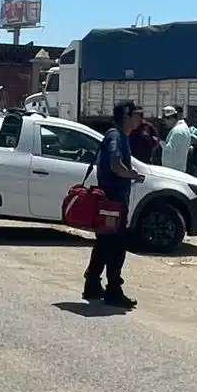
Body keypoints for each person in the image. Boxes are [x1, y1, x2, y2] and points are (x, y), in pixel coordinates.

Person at [84, 100, 144, 309]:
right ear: (127, 116)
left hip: (111, 202)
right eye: (138, 114)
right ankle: (113, 291)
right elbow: (116, 165)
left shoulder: (118, 136)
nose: (140, 119)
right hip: (113, 204)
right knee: (116, 247)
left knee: (103, 245)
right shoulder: (116, 136)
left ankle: (92, 285)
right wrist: (133, 175)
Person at [161, 106, 197, 173]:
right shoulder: (182, 128)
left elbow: (169, 148)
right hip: (177, 168)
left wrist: (160, 142)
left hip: (173, 170)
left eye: (165, 120)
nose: (165, 123)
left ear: (171, 118)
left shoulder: (177, 131)